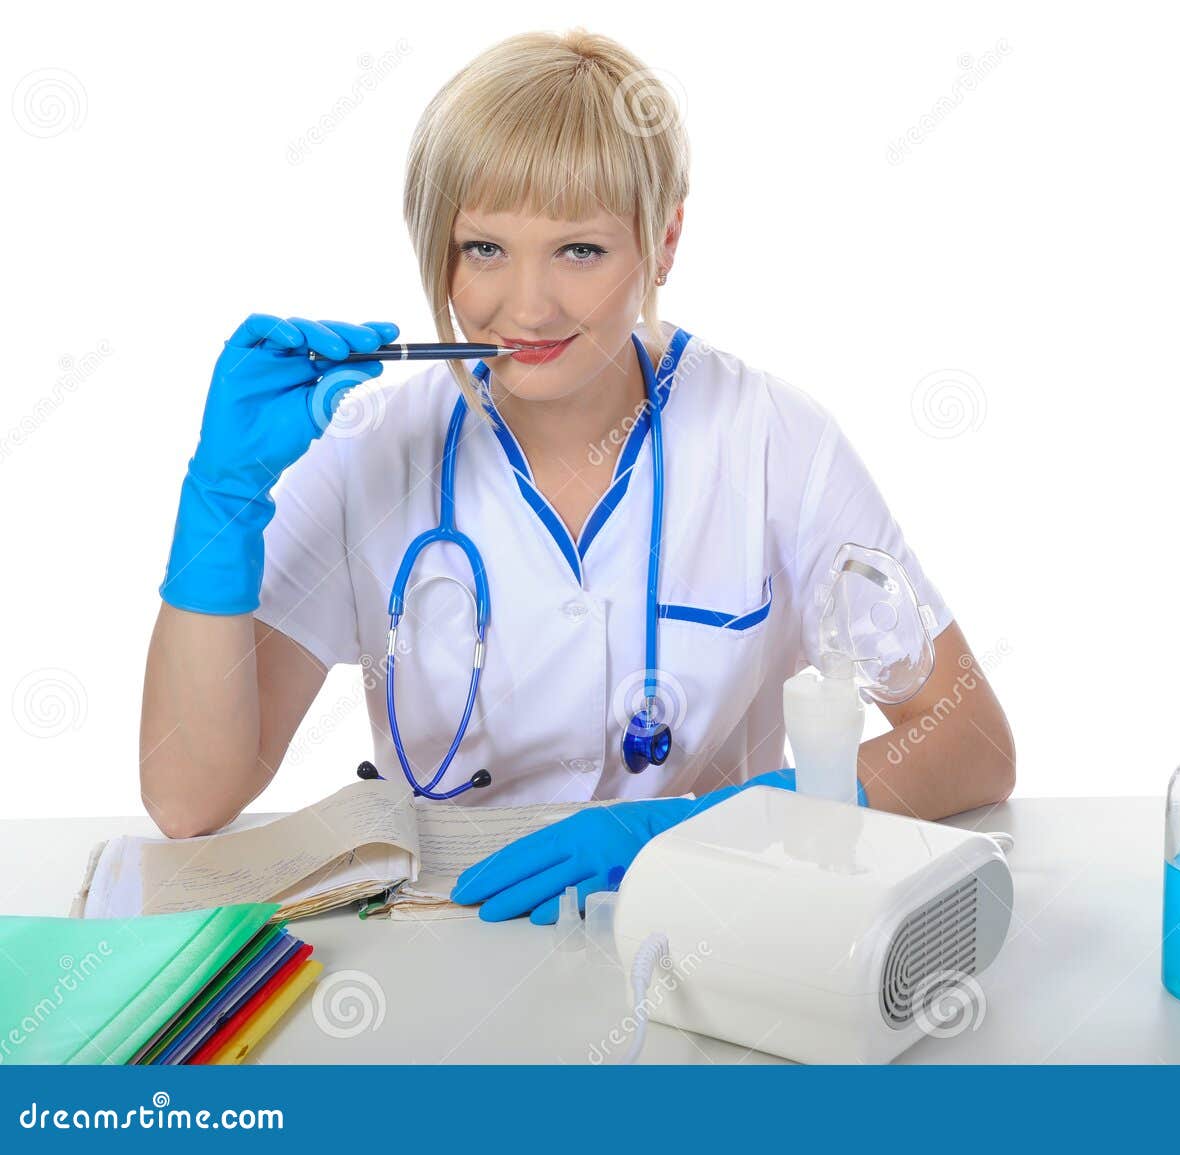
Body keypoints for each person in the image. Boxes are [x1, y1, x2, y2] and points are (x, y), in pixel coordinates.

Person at [140, 29, 1014, 922]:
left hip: (709, 929)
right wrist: (222, 498)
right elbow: (189, 798)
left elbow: (971, 743)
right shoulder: (370, 448)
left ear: (663, 241)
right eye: (484, 248)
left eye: (580, 251)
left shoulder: (773, 438)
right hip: (446, 943)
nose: (527, 307)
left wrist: (692, 828)